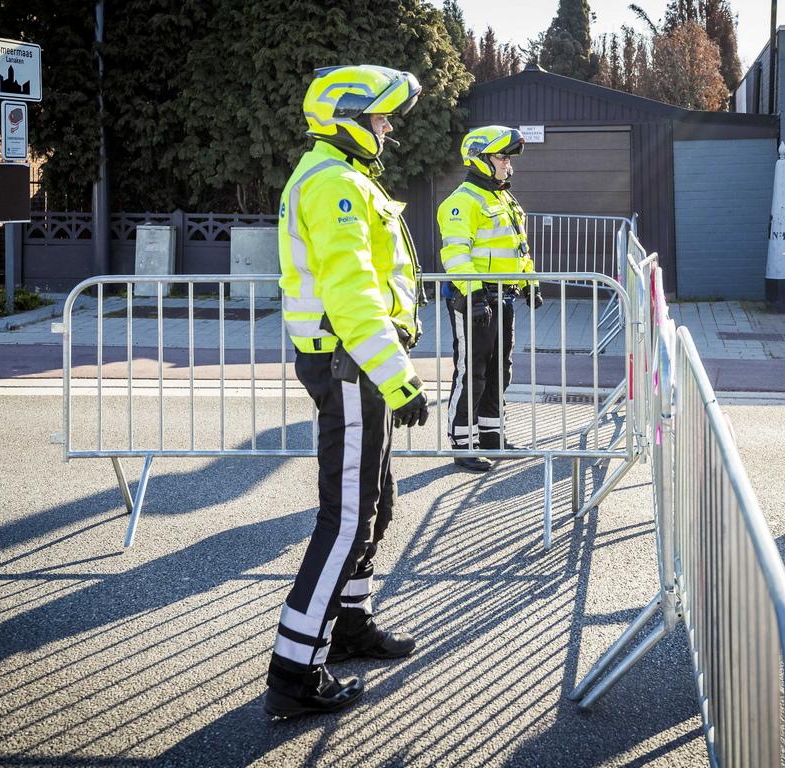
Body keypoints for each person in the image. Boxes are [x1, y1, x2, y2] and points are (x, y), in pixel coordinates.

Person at [267, 64, 430, 718]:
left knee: (376, 504)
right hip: (351, 365)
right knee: (345, 521)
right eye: (380, 117)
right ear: (348, 118)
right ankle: (294, 674)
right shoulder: (334, 184)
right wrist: (399, 379)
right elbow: (353, 296)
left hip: (355, 361)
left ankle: (349, 629)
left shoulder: (343, 178)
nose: (388, 128)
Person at [437, 125, 541, 472]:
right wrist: (474, 294)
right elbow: (455, 255)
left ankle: (493, 439)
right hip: (472, 300)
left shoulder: (503, 197)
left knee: (500, 370)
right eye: (501, 157)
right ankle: (463, 444)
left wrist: (528, 281)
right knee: (473, 372)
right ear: (480, 160)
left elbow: (517, 246)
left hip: (502, 297)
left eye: (508, 158)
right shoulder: (461, 202)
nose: (507, 164)